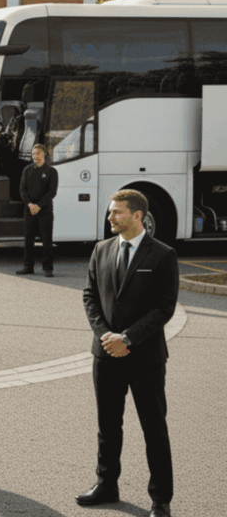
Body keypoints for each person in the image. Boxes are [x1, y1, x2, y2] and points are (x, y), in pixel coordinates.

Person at [78, 190, 178, 517]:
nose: (110, 218)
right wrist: (105, 335)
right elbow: (90, 296)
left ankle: (160, 500)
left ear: (137, 216)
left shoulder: (163, 255)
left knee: (153, 428)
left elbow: (164, 308)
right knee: (108, 426)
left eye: (116, 212)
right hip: (105, 354)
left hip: (146, 358)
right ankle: (107, 485)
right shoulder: (101, 250)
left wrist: (128, 339)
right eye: (110, 212)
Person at [18, 144, 59, 277]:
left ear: (44, 154)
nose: (35, 156)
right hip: (30, 210)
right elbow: (22, 190)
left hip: (45, 210)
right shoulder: (27, 170)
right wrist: (30, 205)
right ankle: (28, 266)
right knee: (28, 240)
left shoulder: (52, 171)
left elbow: (52, 192)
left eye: (38, 154)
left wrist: (39, 206)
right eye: (33, 154)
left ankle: (48, 268)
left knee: (46, 240)